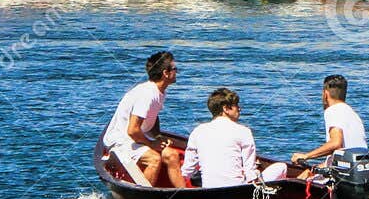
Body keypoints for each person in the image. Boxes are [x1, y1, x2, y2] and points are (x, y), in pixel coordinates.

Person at [102, 51, 186, 188]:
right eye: (175, 69)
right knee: (154, 159)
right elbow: (132, 130)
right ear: (166, 73)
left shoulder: (159, 92)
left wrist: (158, 137)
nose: (177, 72)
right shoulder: (147, 94)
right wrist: (151, 144)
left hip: (138, 139)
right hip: (120, 141)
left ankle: (184, 197)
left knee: (172, 155)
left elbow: (153, 116)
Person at [181, 87, 277, 188]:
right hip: (236, 191)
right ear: (226, 109)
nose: (240, 109)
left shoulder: (197, 131)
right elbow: (250, 174)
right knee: (281, 167)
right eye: (236, 106)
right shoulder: (244, 131)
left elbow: (187, 171)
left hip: (208, 190)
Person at [292, 74, 368, 166]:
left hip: (343, 173)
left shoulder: (333, 110)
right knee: (308, 173)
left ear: (325, 94)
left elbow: (336, 143)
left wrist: (306, 156)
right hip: (358, 169)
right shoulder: (353, 115)